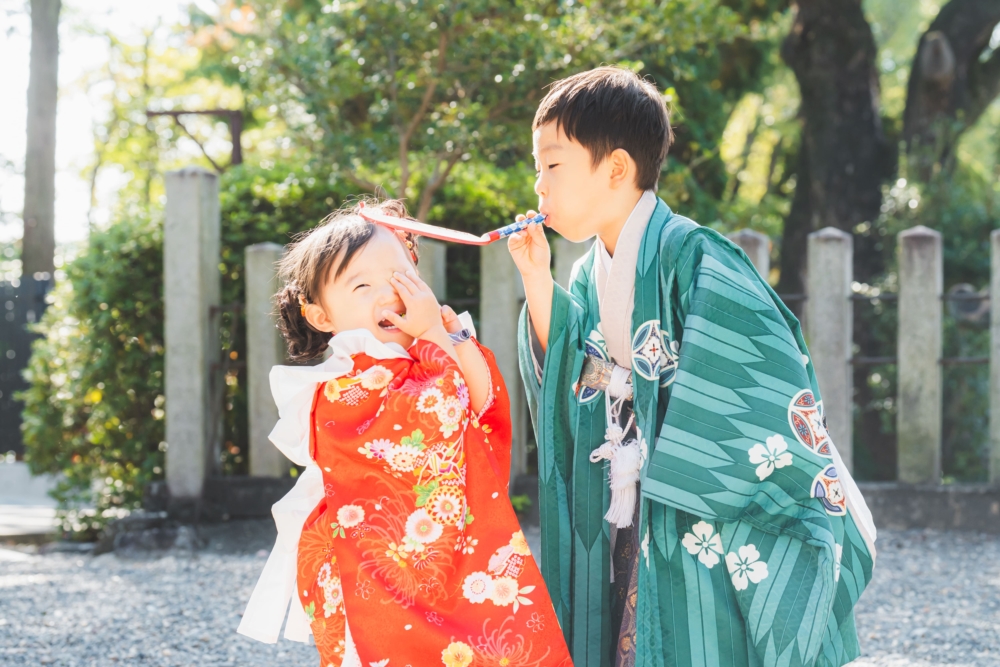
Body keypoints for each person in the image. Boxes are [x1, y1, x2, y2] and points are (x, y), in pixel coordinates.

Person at [508, 67, 877, 667]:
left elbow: (759, 376)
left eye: (551, 165)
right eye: (537, 168)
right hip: (627, 494)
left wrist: (670, 447)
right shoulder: (583, 273)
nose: (538, 185)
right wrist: (533, 278)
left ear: (617, 169)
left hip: (692, 502)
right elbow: (574, 376)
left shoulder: (695, 254)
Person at [237, 199, 573, 667]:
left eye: (398, 275)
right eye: (361, 285)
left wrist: (439, 333)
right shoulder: (337, 388)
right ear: (321, 316)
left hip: (456, 552)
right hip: (371, 571)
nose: (389, 294)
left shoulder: (434, 342)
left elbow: (481, 405)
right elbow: (437, 414)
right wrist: (435, 339)